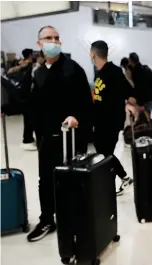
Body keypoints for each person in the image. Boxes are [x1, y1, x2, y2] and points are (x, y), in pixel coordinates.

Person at [27, 25, 94, 242]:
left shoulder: (73, 69)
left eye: (56, 38)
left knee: (72, 180)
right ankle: (48, 219)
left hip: (70, 138)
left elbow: (86, 104)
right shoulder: (38, 73)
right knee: (45, 180)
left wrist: (76, 117)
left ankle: (75, 220)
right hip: (46, 138)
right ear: (39, 44)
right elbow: (33, 105)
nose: (54, 41)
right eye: (48, 38)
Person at [90, 40, 136, 195]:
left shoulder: (114, 71)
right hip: (100, 120)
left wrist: (130, 103)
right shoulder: (100, 73)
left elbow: (129, 91)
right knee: (102, 152)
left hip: (110, 121)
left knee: (105, 153)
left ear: (93, 53)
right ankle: (119, 179)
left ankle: (122, 178)